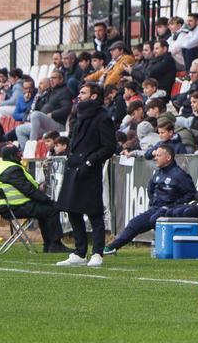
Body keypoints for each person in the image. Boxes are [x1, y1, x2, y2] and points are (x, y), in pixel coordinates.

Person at [56, 81, 116, 267]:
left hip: (89, 170)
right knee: (72, 210)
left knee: (94, 213)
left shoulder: (103, 117)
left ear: (94, 96)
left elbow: (109, 147)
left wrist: (90, 161)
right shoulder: (78, 115)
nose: (78, 96)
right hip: (74, 167)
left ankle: (97, 252)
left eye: (83, 93)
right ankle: (80, 252)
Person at [103, 144, 197, 254]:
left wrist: (175, 204)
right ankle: (112, 247)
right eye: (155, 155)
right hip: (155, 209)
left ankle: (166, 248)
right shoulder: (158, 172)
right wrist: (152, 201)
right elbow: (150, 189)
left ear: (168, 158)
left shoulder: (179, 175)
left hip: (169, 210)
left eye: (159, 155)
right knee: (134, 223)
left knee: (155, 219)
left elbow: (191, 193)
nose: (155, 158)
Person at [0, 144, 67, 254]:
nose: (21, 155)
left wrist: (38, 188)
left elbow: (26, 187)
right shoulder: (12, 169)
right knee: (52, 209)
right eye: (18, 153)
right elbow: (27, 190)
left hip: (10, 207)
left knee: (44, 211)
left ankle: (49, 245)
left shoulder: (3, 166)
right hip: (15, 207)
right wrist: (47, 200)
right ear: (12, 156)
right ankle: (54, 244)